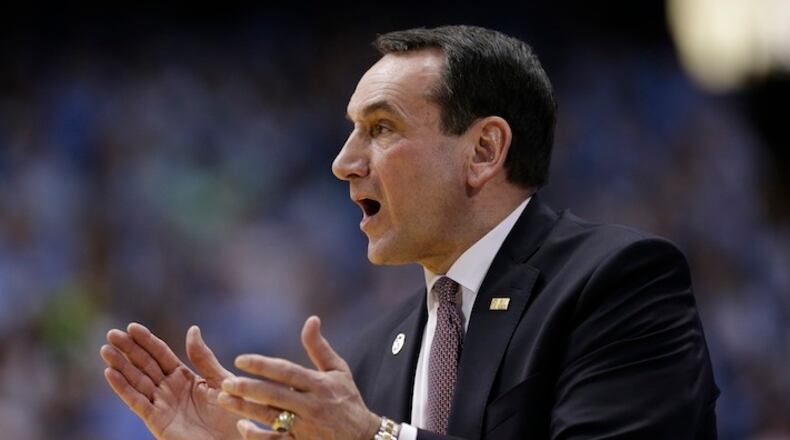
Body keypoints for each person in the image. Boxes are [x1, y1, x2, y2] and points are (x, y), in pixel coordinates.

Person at [100, 25, 719, 439]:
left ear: (483, 150)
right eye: (352, 130)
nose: (343, 162)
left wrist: (376, 437)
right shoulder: (373, 354)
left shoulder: (618, 282)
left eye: (381, 128)